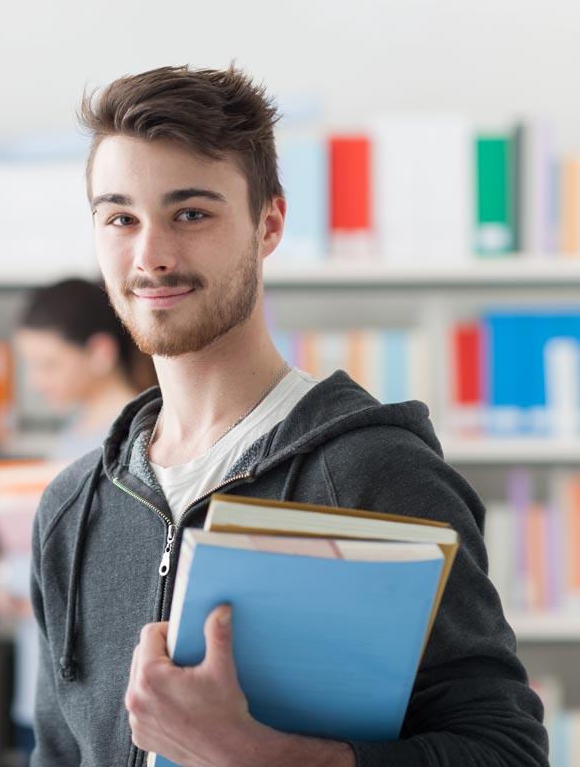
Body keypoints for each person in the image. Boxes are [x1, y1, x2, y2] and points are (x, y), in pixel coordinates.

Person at [29, 65, 549, 766]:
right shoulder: (71, 508)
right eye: (120, 217)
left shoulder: (373, 474)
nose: (150, 255)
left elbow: (506, 752)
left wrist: (261, 757)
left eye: (191, 213)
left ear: (268, 223)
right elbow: (57, 753)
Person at [0, 278, 153, 761]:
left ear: (100, 352)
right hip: (44, 684)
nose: (37, 382)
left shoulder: (137, 440)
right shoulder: (67, 437)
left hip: (103, 698)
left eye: (49, 364)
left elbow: (116, 567)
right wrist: (8, 574)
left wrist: (20, 574)